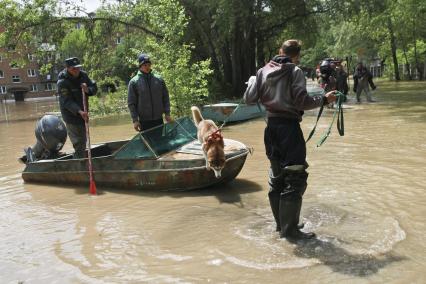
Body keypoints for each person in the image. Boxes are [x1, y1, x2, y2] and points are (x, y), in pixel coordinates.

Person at [244, 39, 336, 241]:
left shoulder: (261, 71)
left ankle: (282, 225)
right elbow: (302, 101)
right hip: (289, 130)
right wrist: (325, 99)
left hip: (271, 129)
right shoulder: (295, 71)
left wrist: (253, 81)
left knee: (277, 178)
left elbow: (249, 99)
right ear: (297, 56)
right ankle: (290, 231)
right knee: (295, 179)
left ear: (280, 51)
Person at [57, 57, 98, 158]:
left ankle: (82, 159)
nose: (77, 71)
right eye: (73, 69)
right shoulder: (62, 82)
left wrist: (88, 89)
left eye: (78, 68)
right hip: (71, 116)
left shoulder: (83, 75)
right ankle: (79, 164)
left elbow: (94, 87)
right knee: (79, 143)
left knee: (83, 140)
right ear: (68, 69)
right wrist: (79, 111)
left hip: (83, 113)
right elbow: (67, 101)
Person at [127, 53, 172, 132]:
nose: (147, 67)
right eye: (145, 65)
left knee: (160, 143)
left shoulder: (159, 79)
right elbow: (131, 103)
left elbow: (165, 97)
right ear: (140, 66)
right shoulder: (134, 82)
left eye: (149, 64)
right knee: (147, 144)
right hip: (144, 122)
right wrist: (135, 120)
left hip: (158, 120)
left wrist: (167, 113)